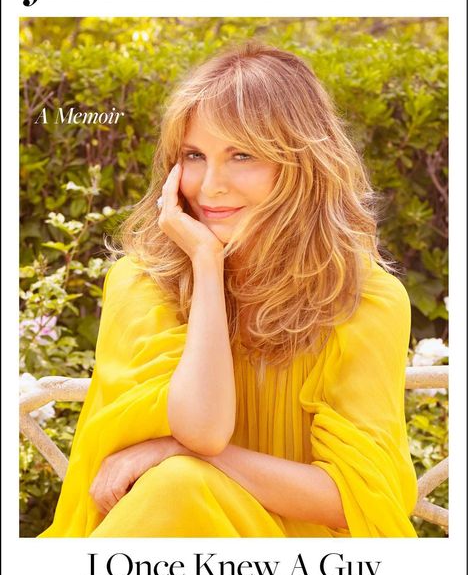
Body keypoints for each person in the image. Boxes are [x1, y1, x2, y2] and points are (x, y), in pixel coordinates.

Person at [39, 43, 418, 538]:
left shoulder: (363, 300)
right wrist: (205, 264)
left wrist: (181, 451)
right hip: (161, 558)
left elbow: (355, 501)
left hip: (302, 568)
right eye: (194, 156)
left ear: (301, 165)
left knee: (180, 480)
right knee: (178, 487)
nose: (211, 185)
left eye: (242, 155)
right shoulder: (142, 284)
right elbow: (203, 427)